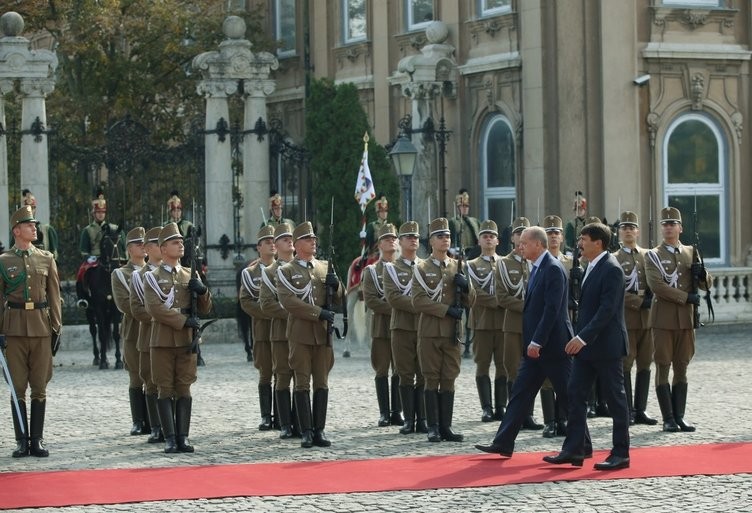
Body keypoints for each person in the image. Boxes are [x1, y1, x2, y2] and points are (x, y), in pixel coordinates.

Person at [475, 226, 573, 458]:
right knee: (520, 394)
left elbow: (552, 310)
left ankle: (582, 443)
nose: (520, 247)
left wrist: (537, 340)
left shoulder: (552, 268)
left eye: (525, 243)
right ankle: (503, 442)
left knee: (568, 396)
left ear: (538, 245)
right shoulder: (538, 268)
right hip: (536, 349)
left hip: (552, 346)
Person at [543, 222, 630, 470]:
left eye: (583, 239)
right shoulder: (591, 266)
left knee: (615, 399)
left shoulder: (611, 268)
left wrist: (581, 338)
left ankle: (621, 453)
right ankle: (575, 449)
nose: (579, 243)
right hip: (587, 348)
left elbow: (606, 311)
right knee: (575, 394)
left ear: (598, 243)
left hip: (606, 346)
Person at [143, 223, 212, 453]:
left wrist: (202, 290)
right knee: (164, 388)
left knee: (184, 388)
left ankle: (183, 436)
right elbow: (155, 308)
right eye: (175, 241)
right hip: (162, 340)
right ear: (163, 249)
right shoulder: (152, 277)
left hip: (186, 340)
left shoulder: (189, 274)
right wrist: (183, 321)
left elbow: (206, 308)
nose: (180, 244)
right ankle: (170, 437)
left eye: (181, 241)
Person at [1, 205, 61, 458]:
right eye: (29, 225)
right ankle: (20, 441)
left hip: (41, 327)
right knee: (17, 386)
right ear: (17, 230)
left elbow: (55, 296)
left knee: (39, 385)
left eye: (34, 224)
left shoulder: (46, 258)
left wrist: (57, 328)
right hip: (13, 329)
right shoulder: (4, 261)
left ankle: (36, 440)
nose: (34, 228)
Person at [276, 222, 343, 448]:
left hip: (322, 335)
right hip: (300, 334)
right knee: (302, 382)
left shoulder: (324, 267)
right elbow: (289, 301)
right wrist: (318, 313)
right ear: (296, 245)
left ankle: (319, 430)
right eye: (307, 239)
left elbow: (338, 297)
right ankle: (305, 431)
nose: (313, 241)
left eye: (314, 238)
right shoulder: (286, 271)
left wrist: (338, 286)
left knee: (322, 382)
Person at [645, 207, 711, 433]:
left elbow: (704, 284)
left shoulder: (691, 252)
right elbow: (657, 287)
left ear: (680, 228)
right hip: (663, 319)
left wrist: (703, 275)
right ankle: (668, 418)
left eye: (673, 223)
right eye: (665, 224)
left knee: (682, 366)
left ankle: (680, 416)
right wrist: (686, 297)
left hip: (686, 320)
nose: (669, 227)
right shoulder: (652, 255)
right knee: (663, 366)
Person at [412, 217, 476, 443]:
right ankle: (433, 427)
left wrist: (466, 286)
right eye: (440, 236)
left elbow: (471, 300)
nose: (445, 240)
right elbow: (418, 301)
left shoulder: (458, 266)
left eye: (448, 236)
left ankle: (446, 426)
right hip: (429, 332)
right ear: (431, 241)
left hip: (452, 333)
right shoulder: (421, 267)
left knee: (449, 377)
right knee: (431, 378)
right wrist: (446, 310)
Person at [496, 217, 544, 430]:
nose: (521, 238)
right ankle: (514, 413)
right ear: (513, 238)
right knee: (514, 370)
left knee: (531, 371)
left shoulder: (537, 262)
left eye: (525, 234)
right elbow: (502, 297)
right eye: (518, 233)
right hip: (514, 324)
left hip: (533, 326)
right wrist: (529, 306)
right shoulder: (504, 264)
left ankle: (529, 414)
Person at [614, 211, 657, 425]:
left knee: (645, 363)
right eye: (625, 228)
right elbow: (614, 292)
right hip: (627, 318)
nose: (629, 231)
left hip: (648, 319)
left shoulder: (648, 255)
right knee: (626, 365)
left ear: (638, 232)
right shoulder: (614, 259)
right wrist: (639, 302)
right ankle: (628, 410)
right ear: (619, 232)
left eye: (632, 227)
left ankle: (641, 409)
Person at [383, 221, 427, 435]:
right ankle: (409, 419)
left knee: (424, 374)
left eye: (416, 236)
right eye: (408, 236)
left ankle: (424, 419)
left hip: (423, 327)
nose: (413, 240)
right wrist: (422, 305)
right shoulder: (391, 268)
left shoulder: (426, 267)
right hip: (401, 327)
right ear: (400, 241)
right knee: (405, 374)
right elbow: (393, 298)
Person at [362, 223, 403, 427]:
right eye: (387, 239)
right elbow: (371, 300)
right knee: (381, 369)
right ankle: (384, 412)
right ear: (379, 244)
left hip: (401, 326)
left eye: (394, 238)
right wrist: (397, 307)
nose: (391, 242)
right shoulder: (371, 271)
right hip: (381, 326)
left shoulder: (403, 268)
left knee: (400, 369)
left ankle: (397, 411)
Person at [259, 223, 297, 439]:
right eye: (283, 238)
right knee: (282, 376)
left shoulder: (306, 267)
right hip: (281, 332)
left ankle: (302, 422)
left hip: (303, 332)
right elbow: (266, 304)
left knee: (301, 377)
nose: (289, 241)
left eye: (291, 237)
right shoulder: (270, 272)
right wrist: (294, 312)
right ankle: (285, 423)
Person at [111, 226, 149, 436]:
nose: (142, 247)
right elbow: (125, 305)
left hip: (155, 328)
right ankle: (138, 420)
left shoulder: (154, 271)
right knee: (136, 376)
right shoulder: (120, 274)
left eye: (145, 243)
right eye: (137, 244)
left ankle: (153, 419)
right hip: (134, 329)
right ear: (128, 249)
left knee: (153, 376)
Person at [465, 220, 505, 423]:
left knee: (503, 366)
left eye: (492, 236)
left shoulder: (506, 263)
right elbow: (474, 294)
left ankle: (501, 407)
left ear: (497, 240)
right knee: (482, 365)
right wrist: (499, 302)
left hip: (503, 323)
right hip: (481, 322)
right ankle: (486, 408)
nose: (488, 239)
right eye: (485, 236)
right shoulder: (471, 266)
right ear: (479, 241)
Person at [239, 226, 277, 431]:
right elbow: (246, 301)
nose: (272, 244)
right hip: (262, 330)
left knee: (283, 372)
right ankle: (265, 415)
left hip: (283, 330)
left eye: (274, 241)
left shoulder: (284, 269)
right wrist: (269, 312)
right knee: (265, 373)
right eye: (267, 241)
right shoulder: (250, 273)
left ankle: (281, 415)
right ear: (258, 247)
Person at [129, 226, 164, 444]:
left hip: (173, 337)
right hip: (149, 336)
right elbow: (136, 308)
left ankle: (172, 426)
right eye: (157, 244)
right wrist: (163, 318)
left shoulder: (180, 272)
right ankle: (156, 426)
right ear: (148, 248)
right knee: (151, 382)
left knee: (171, 383)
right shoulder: (138, 276)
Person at [79, 190, 125, 260]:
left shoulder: (113, 228)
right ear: (94, 213)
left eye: (103, 212)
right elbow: (84, 251)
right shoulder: (87, 230)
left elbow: (124, 246)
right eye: (98, 212)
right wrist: (89, 258)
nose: (101, 214)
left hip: (112, 258)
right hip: (95, 260)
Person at [20, 190, 59, 260]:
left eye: (32, 208)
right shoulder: (18, 231)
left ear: (35, 208)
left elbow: (54, 256)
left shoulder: (47, 230)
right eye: (26, 208)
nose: (29, 210)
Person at [448, 189, 481, 259]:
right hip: (459, 253)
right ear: (458, 208)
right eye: (462, 206)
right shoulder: (452, 222)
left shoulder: (475, 221)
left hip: (474, 252)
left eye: (467, 206)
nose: (465, 208)